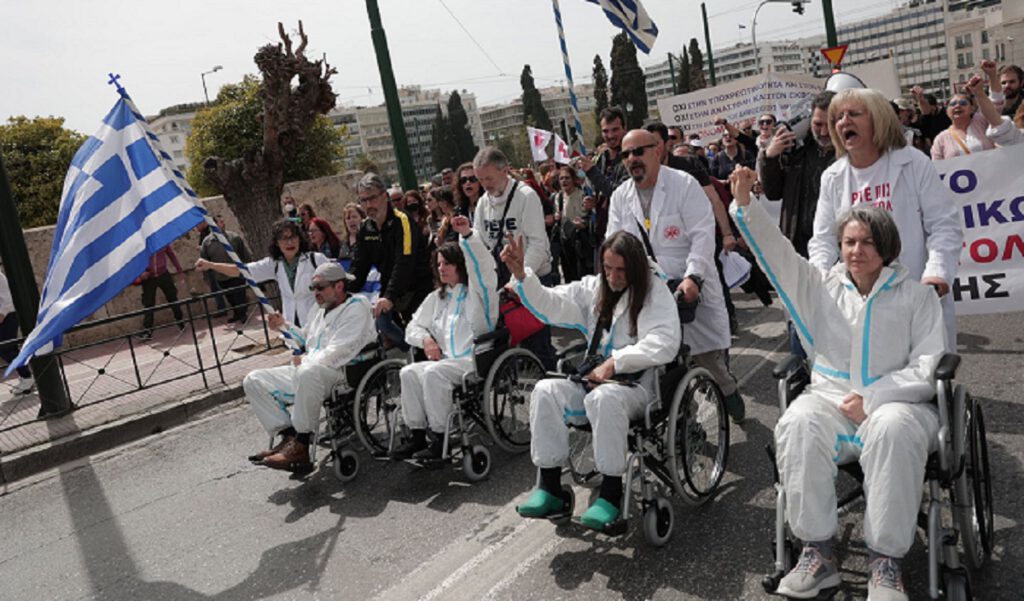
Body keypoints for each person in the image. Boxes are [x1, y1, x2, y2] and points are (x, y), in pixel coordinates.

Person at [730, 165, 945, 601]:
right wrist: (747, 207)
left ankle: (885, 565)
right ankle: (818, 554)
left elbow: (929, 363)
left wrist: (873, 397)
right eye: (849, 242)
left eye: (867, 242)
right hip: (830, 403)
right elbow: (779, 256)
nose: (856, 250)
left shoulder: (917, 297)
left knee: (892, 428)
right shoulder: (822, 287)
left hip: (899, 407)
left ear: (886, 247)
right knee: (797, 423)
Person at [510, 230, 680, 529]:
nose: (613, 277)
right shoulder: (593, 288)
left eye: (621, 270)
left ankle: (611, 495)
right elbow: (551, 303)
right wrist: (522, 276)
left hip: (636, 388)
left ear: (636, 268)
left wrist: (616, 363)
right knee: (545, 390)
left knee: (605, 398)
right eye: (608, 268)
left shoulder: (655, 292)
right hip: (593, 381)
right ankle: (549, 488)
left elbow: (665, 341)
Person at [605, 129, 744, 422]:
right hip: (648, 291)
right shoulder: (620, 197)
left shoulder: (683, 185)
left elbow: (703, 235)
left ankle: (727, 388)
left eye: (639, 151)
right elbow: (614, 243)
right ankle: (686, 421)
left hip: (687, 284)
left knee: (706, 357)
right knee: (662, 360)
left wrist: (694, 277)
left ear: (657, 151)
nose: (632, 159)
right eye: (627, 154)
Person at [809, 88, 963, 349]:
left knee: (923, 377)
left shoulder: (913, 163)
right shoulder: (833, 177)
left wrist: (937, 272)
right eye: (838, 117)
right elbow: (823, 240)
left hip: (915, 292)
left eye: (854, 113)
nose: (844, 121)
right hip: (860, 303)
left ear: (878, 119)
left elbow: (943, 225)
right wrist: (819, 281)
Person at [244, 262, 376, 472]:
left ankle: (302, 443)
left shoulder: (357, 308)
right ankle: (289, 438)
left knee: (307, 372)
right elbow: (306, 338)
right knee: (253, 380)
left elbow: (339, 351)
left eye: (320, 287)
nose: (315, 293)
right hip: (310, 370)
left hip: (340, 372)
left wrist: (305, 361)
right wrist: (283, 326)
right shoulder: (319, 308)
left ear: (339, 286)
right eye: (312, 288)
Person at [391, 216, 498, 460]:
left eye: (448, 263)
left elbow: (482, 267)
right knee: (409, 372)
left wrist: (468, 236)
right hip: (446, 362)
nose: (442, 268)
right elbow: (413, 327)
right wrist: (426, 340)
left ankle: (441, 438)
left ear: (461, 265)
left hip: (471, 360)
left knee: (432, 373)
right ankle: (417, 436)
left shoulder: (479, 294)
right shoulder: (436, 298)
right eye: (439, 264)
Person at [472, 146, 557, 368]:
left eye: (489, 178)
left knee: (540, 347)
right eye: (481, 180)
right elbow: (481, 241)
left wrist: (520, 276)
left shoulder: (525, 196)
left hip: (532, 277)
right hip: (502, 281)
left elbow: (538, 243)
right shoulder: (483, 202)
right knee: (513, 349)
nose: (485, 185)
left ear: (505, 171)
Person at [348, 173, 433, 352]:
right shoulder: (366, 228)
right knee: (384, 326)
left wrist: (389, 297)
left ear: (385, 197)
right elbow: (359, 267)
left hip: (417, 287)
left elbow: (405, 263)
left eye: (372, 198)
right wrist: (344, 292)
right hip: (392, 290)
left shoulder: (402, 221)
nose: (368, 205)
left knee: (420, 339)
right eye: (363, 200)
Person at [196, 219, 328, 327]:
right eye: (283, 238)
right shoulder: (274, 264)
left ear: (300, 239)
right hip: (292, 329)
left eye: (293, 237)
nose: (289, 242)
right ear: (276, 243)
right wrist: (211, 265)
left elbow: (340, 284)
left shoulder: (316, 260)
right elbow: (241, 271)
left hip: (318, 328)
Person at [759, 91, 837, 258]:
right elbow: (773, 193)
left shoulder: (851, 155)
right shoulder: (797, 152)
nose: (823, 132)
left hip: (836, 248)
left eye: (829, 125)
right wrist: (770, 157)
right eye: (818, 124)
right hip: (797, 246)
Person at [931, 64, 1005, 160]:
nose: (957, 106)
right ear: (947, 111)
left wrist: (992, 75)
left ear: (972, 108)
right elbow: (937, 168)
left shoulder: (982, 122)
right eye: (953, 104)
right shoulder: (941, 139)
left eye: (962, 103)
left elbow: (996, 101)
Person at [198, 215, 252, 324]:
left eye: (223, 222)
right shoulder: (207, 242)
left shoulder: (234, 238)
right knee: (230, 298)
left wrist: (248, 269)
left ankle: (242, 314)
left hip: (236, 274)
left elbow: (245, 255)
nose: (223, 224)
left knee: (239, 296)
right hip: (221, 277)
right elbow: (204, 260)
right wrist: (207, 277)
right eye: (220, 222)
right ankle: (237, 314)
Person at [137, 244, 187, 340]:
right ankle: (148, 331)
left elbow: (171, 254)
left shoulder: (162, 240)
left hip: (163, 274)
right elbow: (136, 260)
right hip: (149, 277)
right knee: (148, 304)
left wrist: (180, 270)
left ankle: (181, 322)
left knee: (173, 298)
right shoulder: (142, 243)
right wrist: (140, 273)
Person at [0, 267, 34, 394]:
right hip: (5, 316)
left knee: (6, 349)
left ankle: (27, 377)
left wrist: (1, 316)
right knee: (10, 349)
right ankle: (27, 377)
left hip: (7, 316)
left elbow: (8, 299)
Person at [552, 166, 586, 283]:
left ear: (573, 179)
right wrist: (557, 217)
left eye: (567, 178)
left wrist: (583, 224)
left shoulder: (582, 195)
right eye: (561, 178)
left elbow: (589, 217)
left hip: (581, 241)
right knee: (568, 275)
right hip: (566, 241)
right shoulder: (559, 197)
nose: (564, 181)